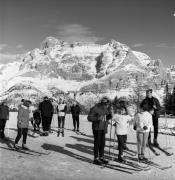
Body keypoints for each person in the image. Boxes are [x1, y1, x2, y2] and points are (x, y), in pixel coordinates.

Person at [87, 96, 112, 165]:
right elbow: (89, 118)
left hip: (103, 128)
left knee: (102, 144)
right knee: (97, 144)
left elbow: (105, 118)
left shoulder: (106, 109)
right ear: (103, 103)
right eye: (107, 104)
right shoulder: (95, 108)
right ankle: (96, 158)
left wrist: (109, 117)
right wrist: (98, 118)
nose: (107, 105)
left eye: (108, 104)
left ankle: (101, 157)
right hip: (97, 128)